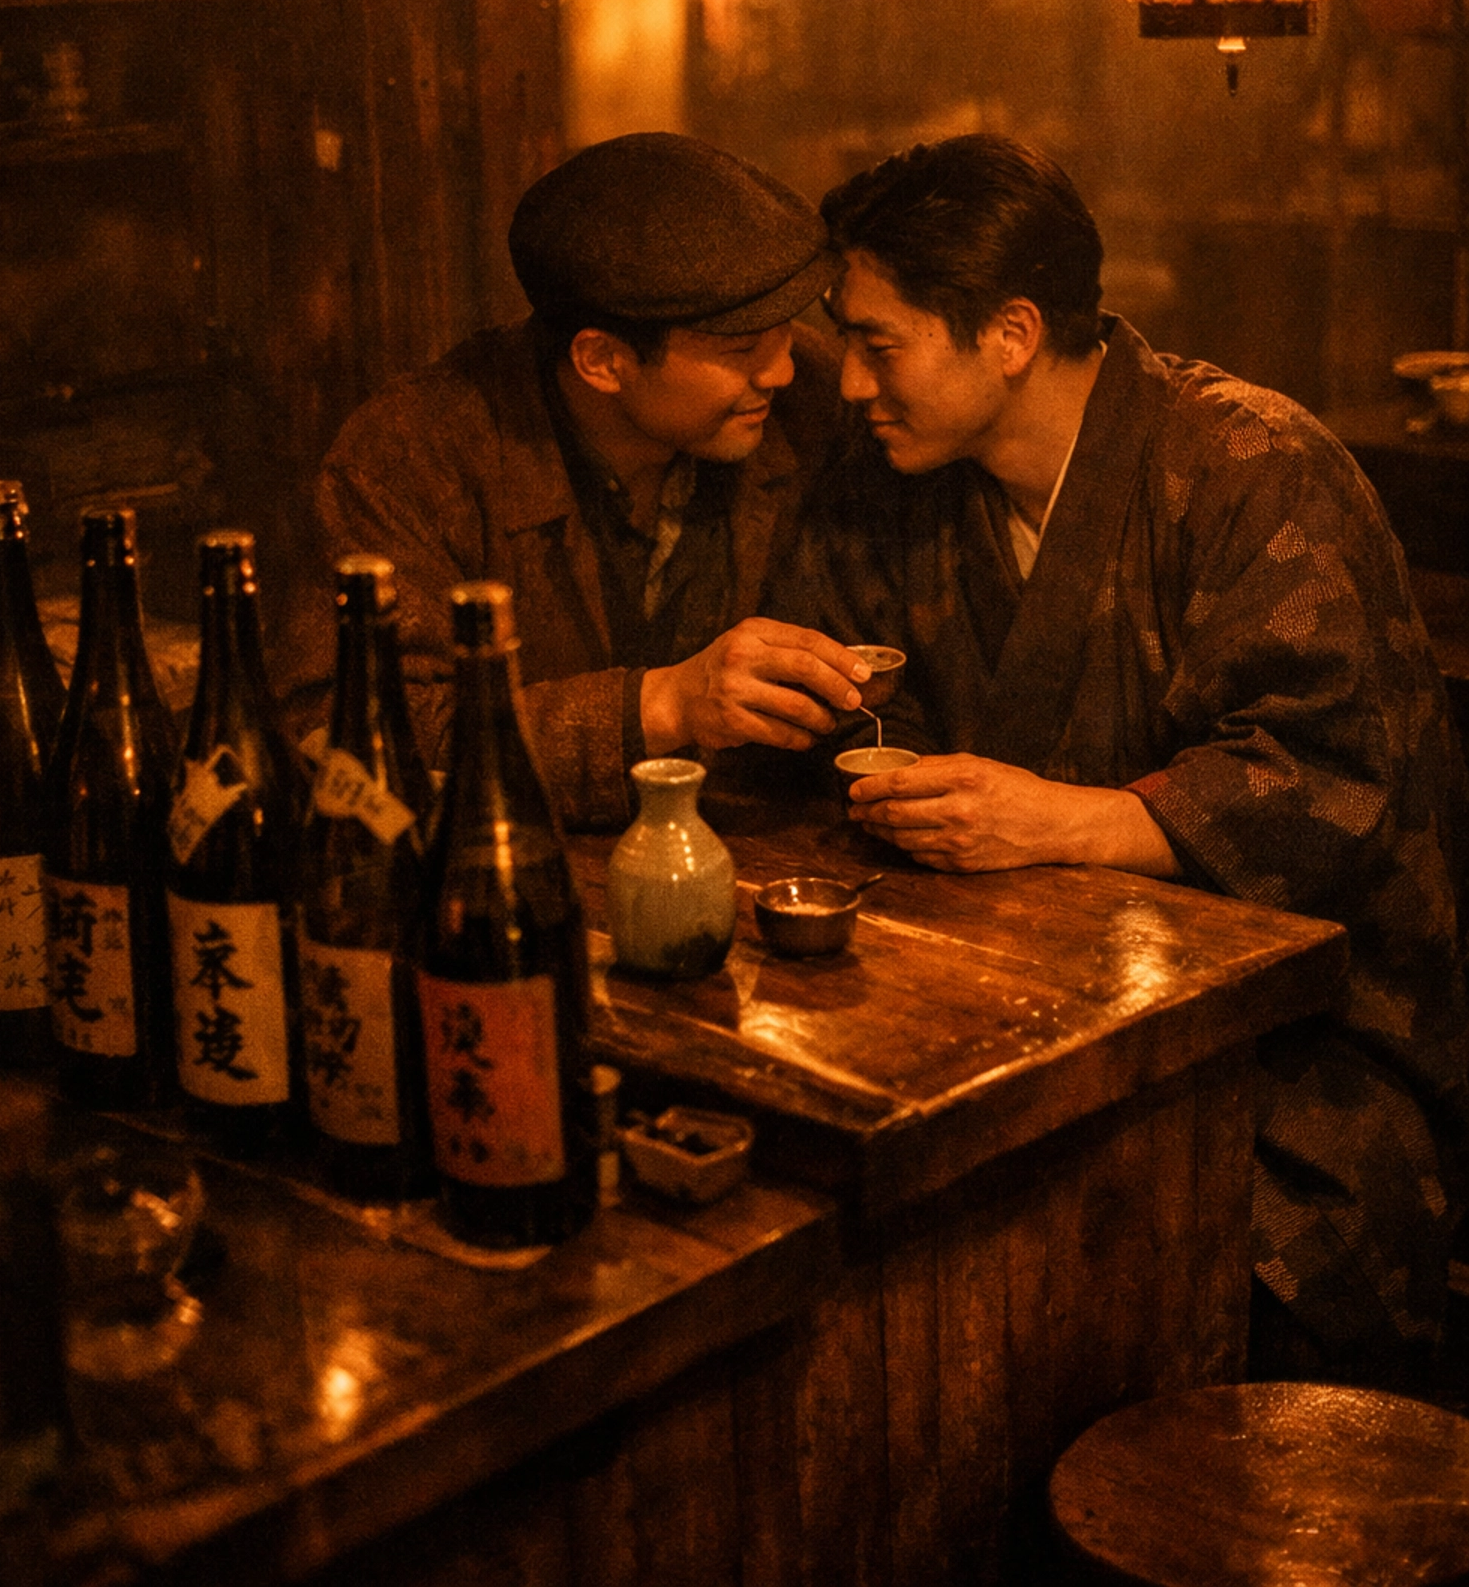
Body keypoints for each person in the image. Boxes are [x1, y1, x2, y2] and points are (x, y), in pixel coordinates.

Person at [778, 130, 1469, 1389]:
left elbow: (1331, 782)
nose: (849, 384)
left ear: (1010, 331)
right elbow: (850, 723)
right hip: (1010, 1015)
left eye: (880, 344)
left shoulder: (1251, 466)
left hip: (1295, 1057)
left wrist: (1066, 821)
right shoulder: (886, 489)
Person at [278, 131, 872, 828]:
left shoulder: (816, 403)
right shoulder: (416, 455)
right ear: (601, 361)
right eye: (743, 349)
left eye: (787, 332)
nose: (782, 371)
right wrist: (663, 704)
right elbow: (339, 745)